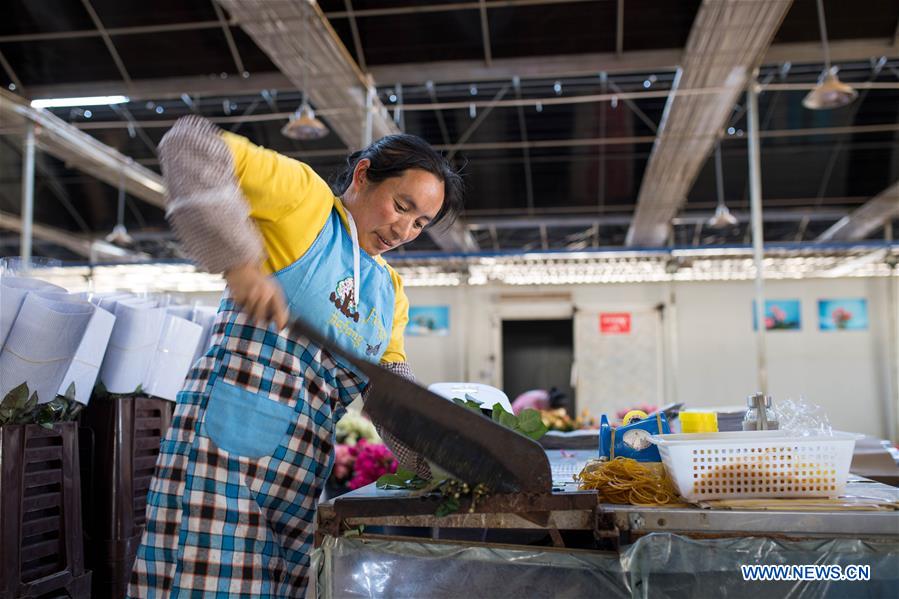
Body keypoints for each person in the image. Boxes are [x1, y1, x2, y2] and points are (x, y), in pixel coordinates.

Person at [128, 115, 463, 598]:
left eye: (419, 222)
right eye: (401, 205)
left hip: (301, 475)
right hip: (223, 457)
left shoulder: (390, 291)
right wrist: (240, 264)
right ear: (363, 175)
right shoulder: (305, 204)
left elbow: (390, 394)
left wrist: (446, 465)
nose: (403, 229)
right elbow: (189, 142)